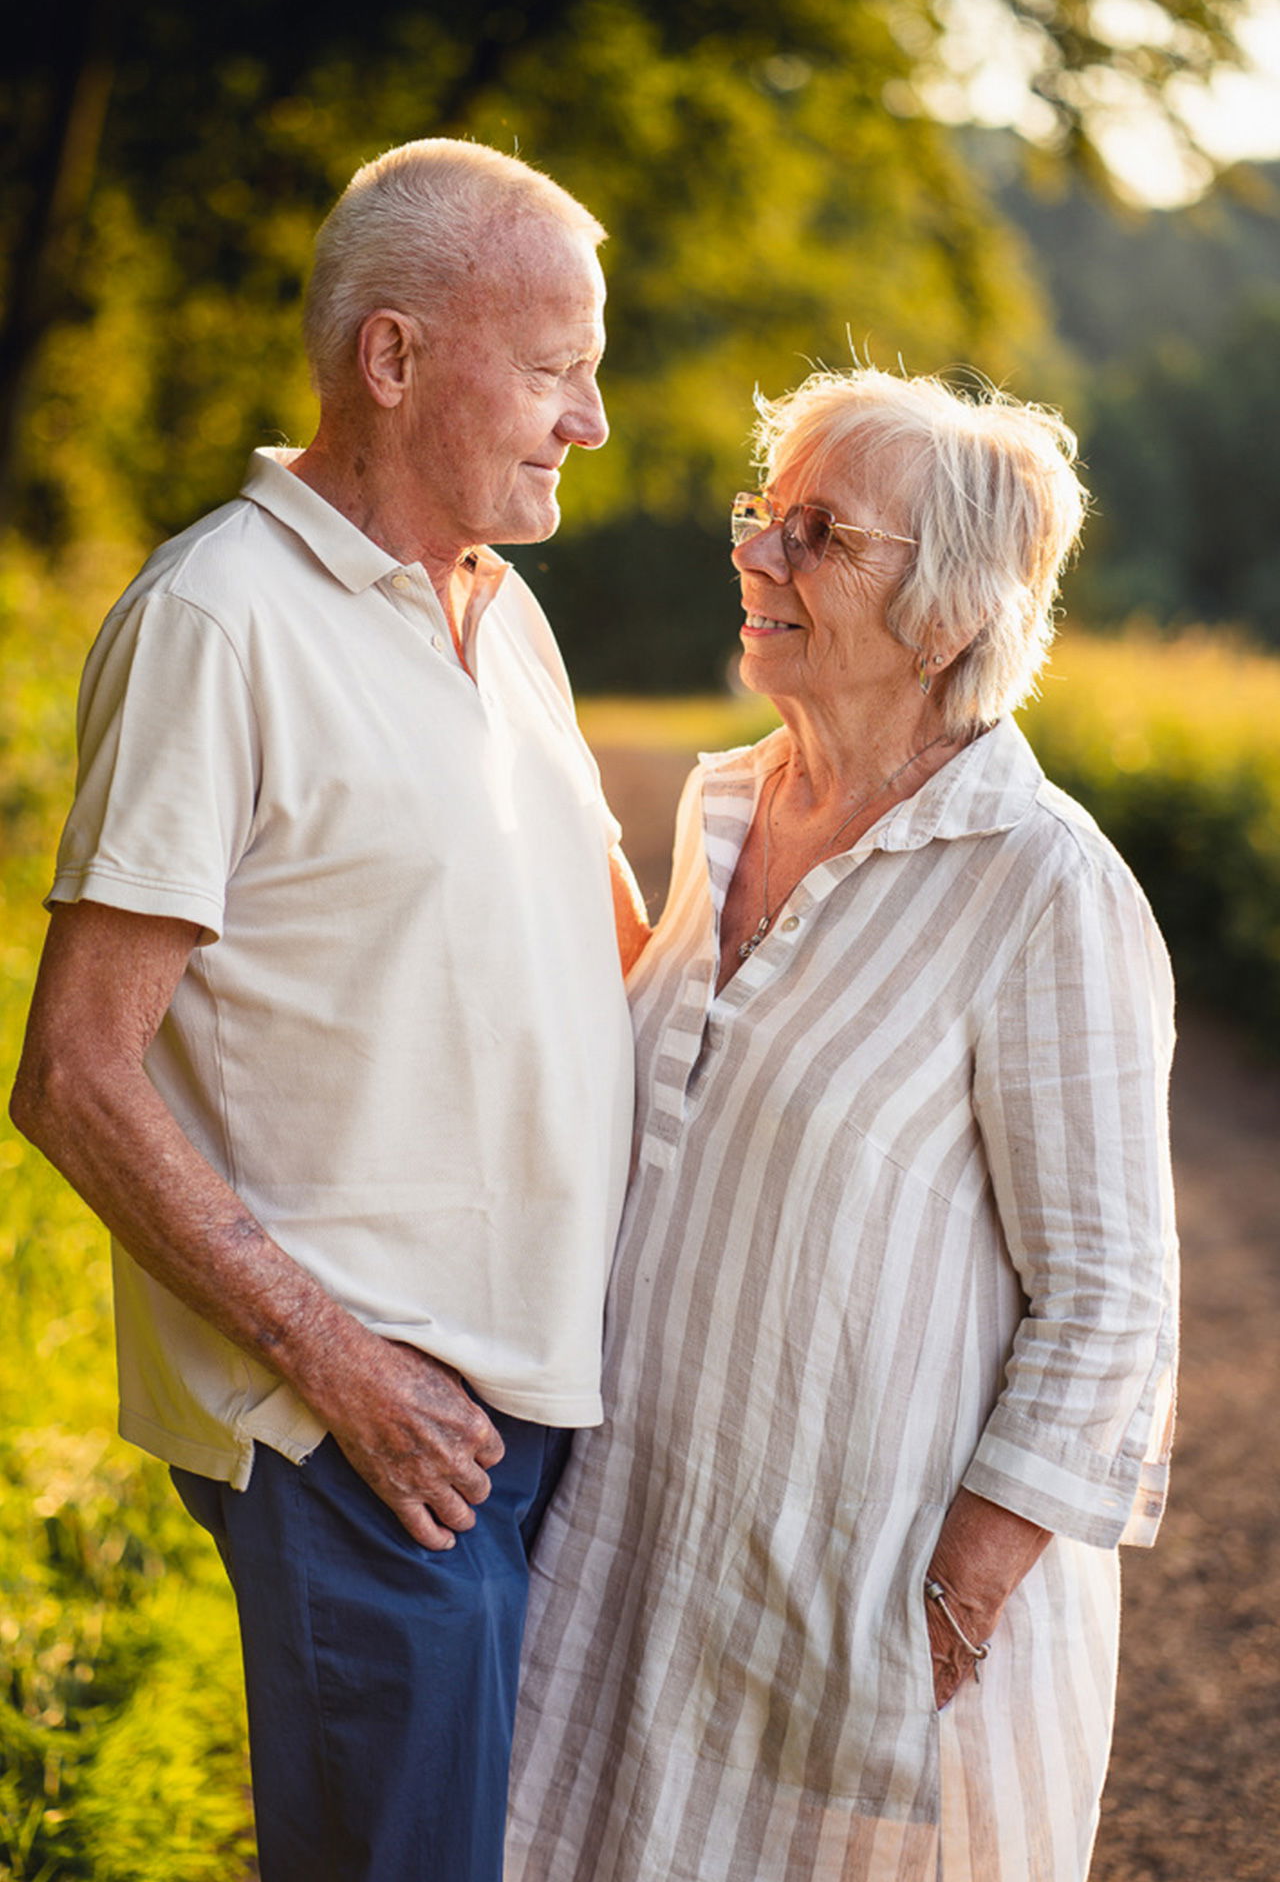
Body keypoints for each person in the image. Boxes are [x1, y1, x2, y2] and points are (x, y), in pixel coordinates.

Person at [10, 137, 647, 1882]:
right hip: (362, 1432)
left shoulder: (506, 617)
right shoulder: (217, 620)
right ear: (392, 356)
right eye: (553, 368)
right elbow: (72, 1074)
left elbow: (612, 955)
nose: (590, 420)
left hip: (526, 1405)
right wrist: (336, 1364)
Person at [505, 366, 1178, 1882]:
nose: (756, 552)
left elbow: (1110, 1299)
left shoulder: (1041, 885)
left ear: (947, 609)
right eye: (763, 513)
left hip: (871, 1606)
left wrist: (952, 1603)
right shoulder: (726, 808)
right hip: (640, 1556)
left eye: (816, 531)